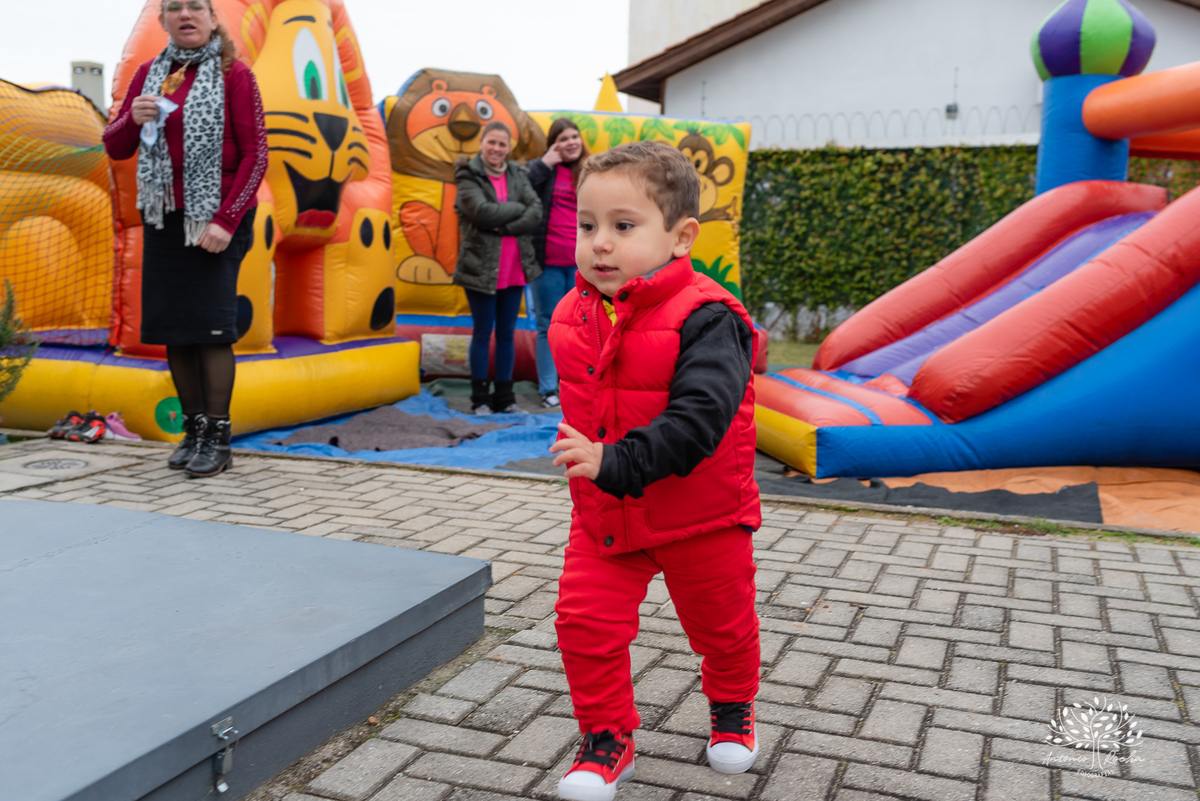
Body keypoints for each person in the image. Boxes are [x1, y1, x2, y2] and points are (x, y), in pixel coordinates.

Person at [547, 141, 761, 801]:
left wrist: (613, 460)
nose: (599, 243)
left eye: (623, 225)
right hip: (609, 512)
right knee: (583, 622)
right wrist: (599, 469)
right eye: (587, 226)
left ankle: (733, 706)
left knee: (722, 626)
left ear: (680, 236)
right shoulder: (570, 315)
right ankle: (606, 739)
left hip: (702, 514)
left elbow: (700, 421)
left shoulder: (708, 318)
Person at [103, 0, 266, 477]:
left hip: (216, 218)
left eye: (196, 6)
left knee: (210, 328)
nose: (185, 14)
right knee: (174, 327)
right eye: (175, 7)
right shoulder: (147, 74)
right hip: (164, 217)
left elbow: (257, 156)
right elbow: (115, 146)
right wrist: (131, 117)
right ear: (164, 22)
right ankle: (193, 429)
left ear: (213, 19)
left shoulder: (236, 73)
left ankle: (218, 436)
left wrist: (225, 220)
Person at [453, 120, 542, 414]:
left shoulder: (518, 173)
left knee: (506, 334)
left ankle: (505, 399)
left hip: (514, 267)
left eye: (502, 144)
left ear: (509, 147)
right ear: (482, 143)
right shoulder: (468, 174)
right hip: (480, 267)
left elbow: (536, 211)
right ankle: (480, 399)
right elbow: (480, 212)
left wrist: (503, 226)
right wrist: (518, 209)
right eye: (491, 142)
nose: (496, 149)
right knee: (482, 332)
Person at [526, 118, 589, 408]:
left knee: (582, 325)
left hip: (582, 264)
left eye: (574, 136)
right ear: (554, 144)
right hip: (548, 262)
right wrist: (543, 163)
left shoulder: (590, 170)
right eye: (563, 138)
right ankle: (548, 389)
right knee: (547, 324)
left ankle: (578, 385)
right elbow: (519, 189)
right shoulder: (544, 171)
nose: (571, 142)